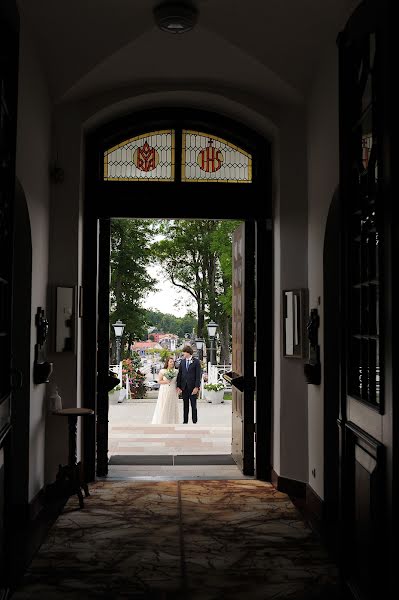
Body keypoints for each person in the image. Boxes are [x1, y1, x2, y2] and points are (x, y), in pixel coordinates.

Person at [176, 345, 201, 424]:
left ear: (188, 352)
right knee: (185, 405)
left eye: (184, 352)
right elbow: (180, 374)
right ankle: (185, 421)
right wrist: (178, 386)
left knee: (193, 405)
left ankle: (194, 421)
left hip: (193, 387)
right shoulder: (182, 362)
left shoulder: (196, 362)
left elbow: (198, 375)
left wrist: (197, 387)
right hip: (184, 387)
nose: (183, 354)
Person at [151, 357, 179, 424]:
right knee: (164, 404)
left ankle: (172, 421)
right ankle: (162, 420)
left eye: (173, 362)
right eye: (170, 362)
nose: (172, 363)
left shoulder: (176, 371)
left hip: (172, 389)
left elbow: (178, 381)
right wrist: (167, 381)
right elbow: (159, 381)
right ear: (167, 363)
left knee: (172, 404)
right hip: (164, 389)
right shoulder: (163, 371)